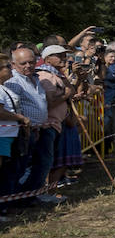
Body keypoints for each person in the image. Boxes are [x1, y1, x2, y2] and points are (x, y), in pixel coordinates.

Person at [5, 46, 61, 205]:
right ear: (13, 64)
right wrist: (27, 125)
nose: (28, 66)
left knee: (43, 163)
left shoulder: (36, 77)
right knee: (22, 167)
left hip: (43, 128)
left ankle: (31, 196)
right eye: (23, 63)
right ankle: (17, 198)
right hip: (26, 131)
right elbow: (13, 108)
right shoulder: (13, 82)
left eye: (31, 62)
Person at [37, 45, 78, 191]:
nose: (63, 58)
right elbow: (49, 102)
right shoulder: (45, 76)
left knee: (54, 161)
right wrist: (66, 95)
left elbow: (71, 90)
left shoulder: (57, 74)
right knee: (46, 163)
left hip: (58, 123)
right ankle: (42, 191)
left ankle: (50, 191)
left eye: (64, 55)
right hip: (49, 124)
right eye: (59, 56)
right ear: (47, 59)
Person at [0, 54, 32, 221]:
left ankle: (6, 207)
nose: (10, 69)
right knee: (4, 173)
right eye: (6, 66)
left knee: (10, 172)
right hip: (2, 138)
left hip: (10, 136)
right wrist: (20, 118)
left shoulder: (4, 87)